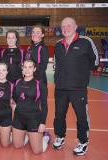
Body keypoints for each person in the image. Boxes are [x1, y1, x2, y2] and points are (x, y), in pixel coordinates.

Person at [52, 17, 99, 156]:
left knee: (81, 116)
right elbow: (56, 63)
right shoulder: (58, 45)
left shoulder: (86, 42)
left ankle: (83, 142)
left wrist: (81, 74)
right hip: (60, 87)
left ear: (75, 26)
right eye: (63, 26)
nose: (65, 28)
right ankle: (60, 137)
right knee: (59, 115)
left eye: (68, 26)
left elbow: (95, 61)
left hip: (78, 88)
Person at [12, 60, 51, 154]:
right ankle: (28, 136)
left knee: (37, 151)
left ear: (34, 69)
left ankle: (46, 137)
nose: (27, 69)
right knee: (17, 146)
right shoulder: (17, 81)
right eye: (25, 67)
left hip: (33, 119)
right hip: (19, 117)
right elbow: (15, 97)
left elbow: (44, 105)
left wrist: (42, 123)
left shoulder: (39, 83)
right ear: (22, 68)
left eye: (30, 67)